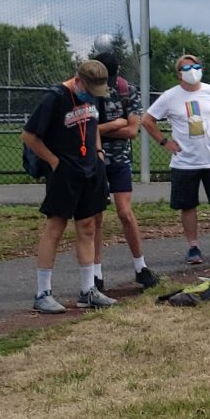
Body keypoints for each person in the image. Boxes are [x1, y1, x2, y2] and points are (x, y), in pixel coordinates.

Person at [22, 59, 116, 314]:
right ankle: (43, 293)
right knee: (56, 227)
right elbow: (29, 135)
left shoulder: (94, 95)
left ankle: (88, 290)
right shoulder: (55, 97)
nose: (92, 95)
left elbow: (93, 125)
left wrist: (97, 152)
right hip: (64, 171)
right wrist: (53, 162)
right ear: (78, 79)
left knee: (87, 226)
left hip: (90, 169)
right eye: (89, 89)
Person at [141, 55, 210, 267]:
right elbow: (147, 120)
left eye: (197, 66)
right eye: (187, 67)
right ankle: (193, 246)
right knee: (188, 205)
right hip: (185, 161)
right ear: (179, 74)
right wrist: (165, 142)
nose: (193, 70)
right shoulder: (170, 96)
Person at [89, 47, 156, 291]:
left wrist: (103, 128)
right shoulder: (88, 90)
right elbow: (86, 129)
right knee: (95, 216)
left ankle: (141, 267)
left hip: (119, 160)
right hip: (94, 161)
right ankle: (95, 273)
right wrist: (114, 124)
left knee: (125, 213)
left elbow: (132, 131)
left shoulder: (127, 90)